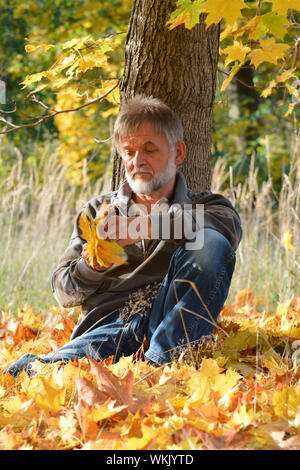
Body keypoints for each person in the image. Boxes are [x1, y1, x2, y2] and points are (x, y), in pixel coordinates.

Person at [5, 95, 242, 378]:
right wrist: (91, 266)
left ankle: (161, 368)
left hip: (169, 324)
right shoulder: (98, 211)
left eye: (149, 149)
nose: (137, 161)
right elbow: (62, 290)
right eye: (128, 152)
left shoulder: (208, 206)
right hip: (110, 326)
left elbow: (224, 232)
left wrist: (144, 227)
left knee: (211, 242)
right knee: (29, 372)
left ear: (178, 153)